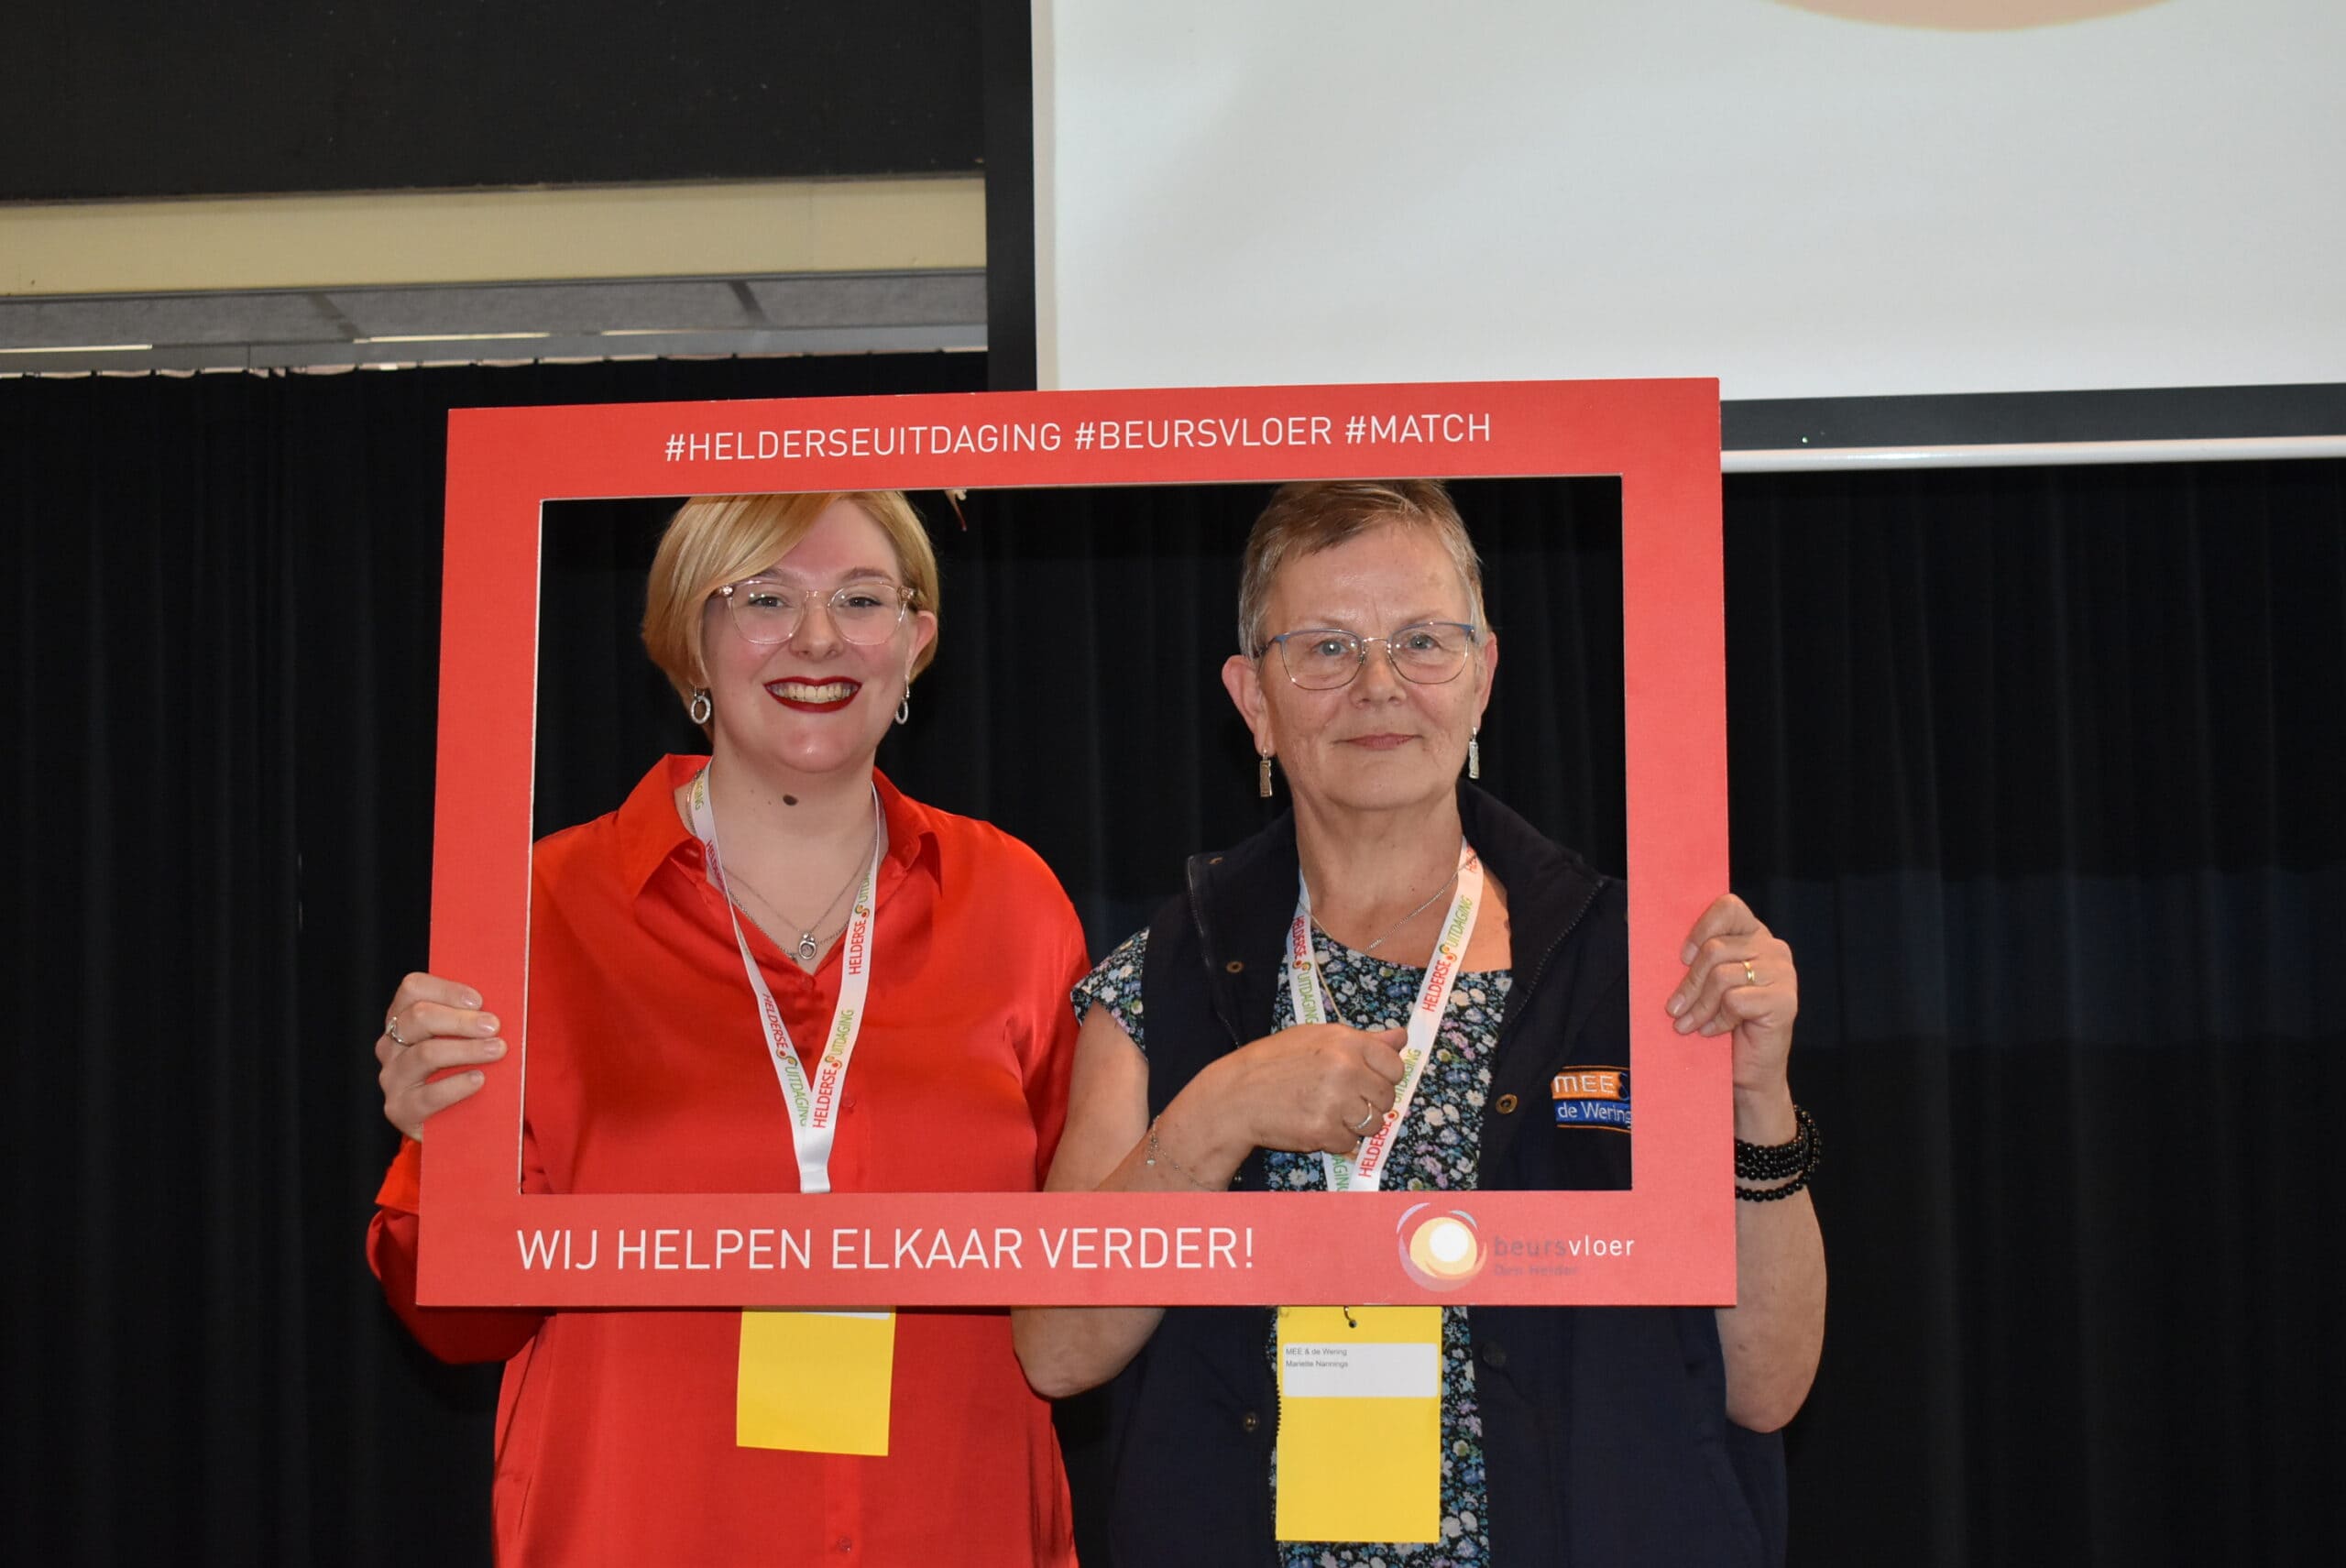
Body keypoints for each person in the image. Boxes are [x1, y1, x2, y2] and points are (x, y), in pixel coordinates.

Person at [1013, 480, 1826, 1567]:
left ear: (1483, 674)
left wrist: (1756, 1097)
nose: (1379, 684)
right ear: (1253, 700)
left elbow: (1766, 1386)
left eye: (1422, 642)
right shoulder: (1159, 980)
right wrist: (1211, 1119)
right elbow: (1057, 1350)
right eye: (1326, 648)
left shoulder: (1643, 966)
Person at [369, 491, 1087, 1567]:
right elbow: (462, 1322)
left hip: (956, 1529)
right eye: (764, 597)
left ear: (916, 642)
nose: (818, 638)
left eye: (862, 599)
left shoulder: (1017, 903)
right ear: (688, 640)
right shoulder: (538, 911)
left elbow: (1086, 1281)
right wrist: (440, 1140)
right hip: (641, 1534)